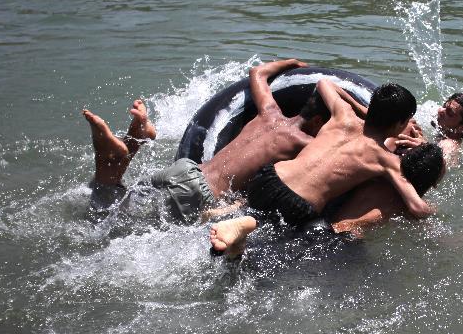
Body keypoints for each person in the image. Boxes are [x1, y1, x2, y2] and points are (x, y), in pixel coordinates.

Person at [209, 79, 440, 257]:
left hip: (269, 177)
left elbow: (324, 83)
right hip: (296, 204)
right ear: (400, 124)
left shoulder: (343, 116)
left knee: (256, 211)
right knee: (273, 238)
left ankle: (224, 215)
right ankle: (246, 224)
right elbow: (417, 207)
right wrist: (437, 212)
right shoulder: (385, 159)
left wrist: (361, 109)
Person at [82, 58, 329, 224]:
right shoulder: (304, 143)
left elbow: (258, 72)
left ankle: (127, 146)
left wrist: (294, 63)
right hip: (201, 193)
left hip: (187, 167)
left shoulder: (268, 112)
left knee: (112, 211)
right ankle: (119, 153)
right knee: (127, 229)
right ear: (318, 120)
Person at [330, 93, 463, 235]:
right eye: (444, 105)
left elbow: (440, 162)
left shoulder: (449, 144)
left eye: (449, 113)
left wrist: (425, 147)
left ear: (462, 128)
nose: (440, 110)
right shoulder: (434, 132)